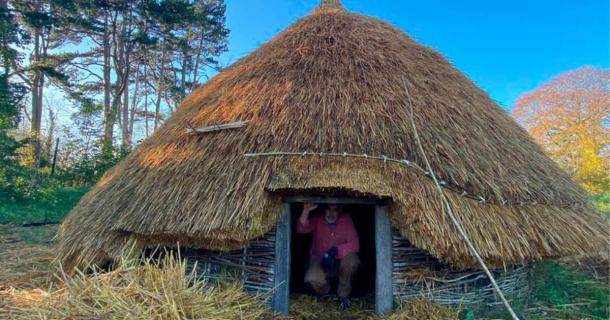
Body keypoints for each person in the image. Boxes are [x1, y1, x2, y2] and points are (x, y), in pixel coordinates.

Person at [296, 203, 360, 309]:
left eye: (335, 210)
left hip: (340, 261)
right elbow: (301, 229)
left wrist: (336, 250)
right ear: (323, 209)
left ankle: (343, 295)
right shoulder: (317, 218)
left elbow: (355, 244)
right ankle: (326, 293)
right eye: (328, 209)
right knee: (312, 278)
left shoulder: (346, 219)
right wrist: (305, 211)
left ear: (340, 210)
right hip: (320, 260)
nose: (331, 214)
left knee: (352, 260)